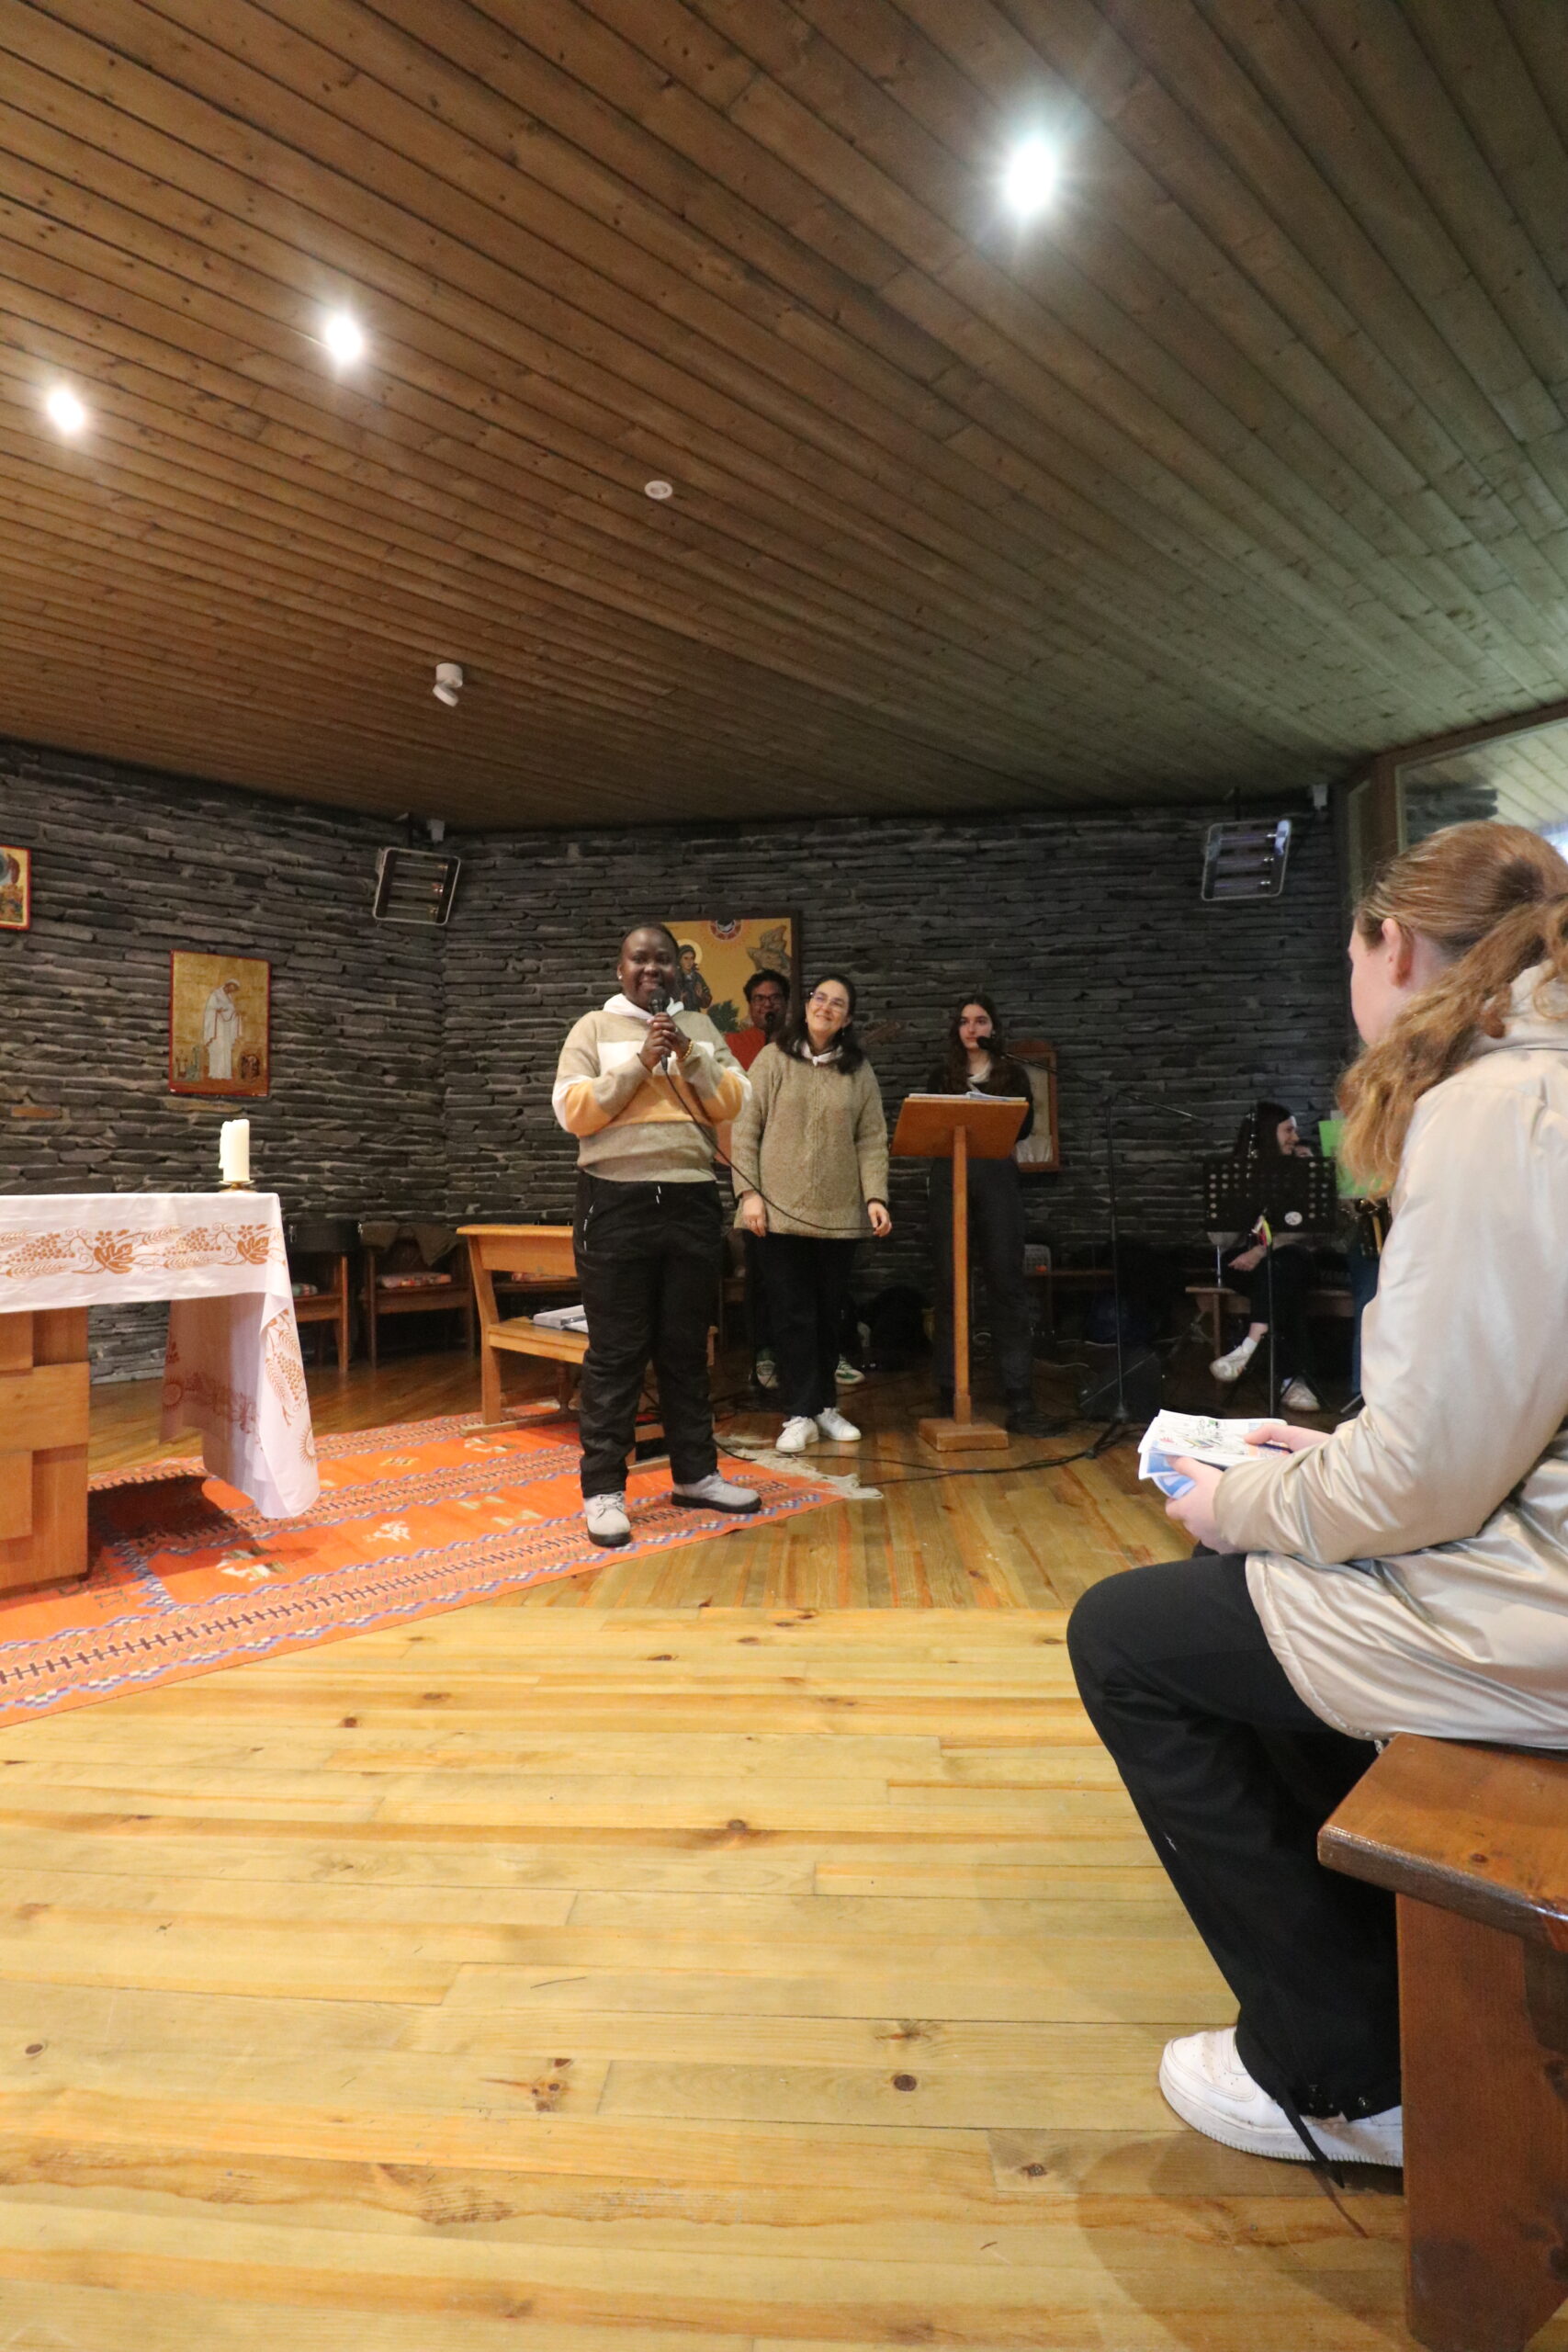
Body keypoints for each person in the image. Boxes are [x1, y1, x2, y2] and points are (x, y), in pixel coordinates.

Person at [1067, 819, 1568, 2173]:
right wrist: (1317, 1465)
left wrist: (1239, 1499)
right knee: (1246, 1591)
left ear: (1389, 946)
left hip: (1541, 1612)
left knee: (1127, 1639)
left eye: (1345, 958)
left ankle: (1350, 2074)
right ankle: (1385, 1991)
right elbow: (1481, 1424)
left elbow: (1422, 1477)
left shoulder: (1495, 1108)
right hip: (1531, 1564)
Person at [553, 922, 761, 1547]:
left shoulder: (699, 1028)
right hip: (615, 1202)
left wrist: (689, 1055)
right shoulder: (592, 1028)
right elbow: (573, 1111)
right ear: (619, 970)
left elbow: (735, 1100)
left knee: (685, 1348)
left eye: (663, 960)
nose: (652, 969)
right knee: (616, 1353)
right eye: (639, 959)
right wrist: (641, 1062)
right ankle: (603, 1492)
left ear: (679, 970)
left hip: (691, 1200)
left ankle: (695, 1475)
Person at [731, 973, 891, 1454]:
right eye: (819, 998)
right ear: (805, 1007)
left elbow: (871, 1138)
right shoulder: (773, 1059)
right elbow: (745, 1128)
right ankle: (798, 1413)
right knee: (792, 1314)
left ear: (847, 1018)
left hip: (839, 1213)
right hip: (777, 1212)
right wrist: (748, 1194)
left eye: (837, 1003)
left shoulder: (858, 1071)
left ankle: (824, 1407)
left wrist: (876, 1197)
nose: (826, 1007)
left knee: (828, 1313)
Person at [923, 995, 1047, 1437]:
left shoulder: (1012, 1073)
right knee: (950, 1284)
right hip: (950, 1178)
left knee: (1006, 1283)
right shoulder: (942, 1074)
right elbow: (927, 1122)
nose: (972, 1028)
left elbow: (1025, 1126)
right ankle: (950, 1389)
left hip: (997, 1178)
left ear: (994, 1027)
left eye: (980, 1021)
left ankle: (1018, 1392)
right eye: (964, 1021)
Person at [1208, 1101, 1321, 1411]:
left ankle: (1250, 1345)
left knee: (1281, 1268)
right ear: (1267, 1133)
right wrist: (1235, 1202)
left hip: (1290, 1257)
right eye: (1288, 1131)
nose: (1295, 1138)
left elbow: (1311, 1229)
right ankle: (1293, 1381)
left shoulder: (1300, 1172)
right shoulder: (1234, 1175)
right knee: (1280, 1284)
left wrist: (1261, 1251)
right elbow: (1220, 1241)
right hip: (1245, 1261)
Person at [728, 967, 789, 1072]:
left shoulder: (799, 1042)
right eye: (759, 999)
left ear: (786, 1003)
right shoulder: (733, 1044)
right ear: (750, 1006)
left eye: (775, 997)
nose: (768, 1004)